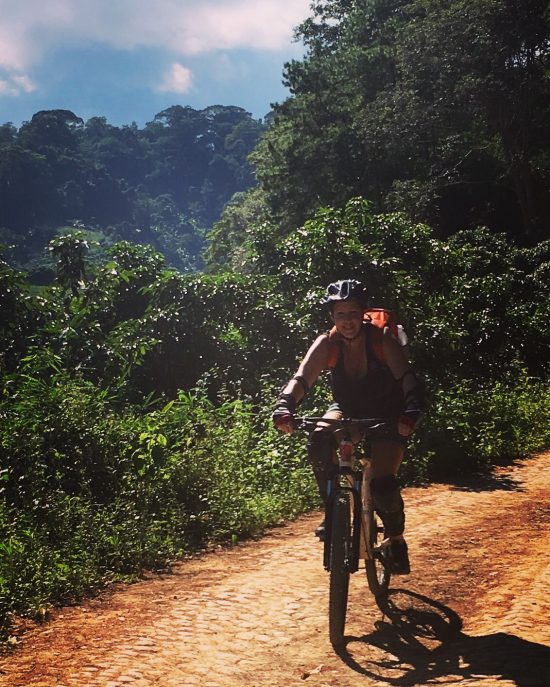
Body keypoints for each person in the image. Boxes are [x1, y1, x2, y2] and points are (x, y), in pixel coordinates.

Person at [272, 279, 424, 574]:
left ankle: (396, 540)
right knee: (318, 442)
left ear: (363, 313)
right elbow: (302, 377)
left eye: (353, 313)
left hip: (387, 414)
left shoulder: (381, 341)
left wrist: (412, 410)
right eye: (340, 315)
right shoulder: (327, 342)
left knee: (383, 485)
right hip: (348, 411)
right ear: (332, 317)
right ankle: (334, 513)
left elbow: (407, 378)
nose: (347, 321)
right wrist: (285, 405)